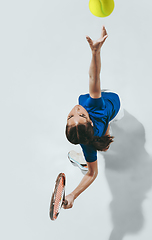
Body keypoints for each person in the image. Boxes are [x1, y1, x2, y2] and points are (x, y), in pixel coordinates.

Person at [63, 26, 123, 209]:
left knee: (103, 132)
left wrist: (74, 195)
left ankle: (86, 159)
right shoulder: (93, 104)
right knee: (106, 124)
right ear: (88, 121)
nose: (76, 109)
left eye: (70, 116)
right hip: (114, 104)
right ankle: (91, 152)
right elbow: (94, 77)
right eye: (80, 115)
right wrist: (95, 52)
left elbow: (91, 173)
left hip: (104, 121)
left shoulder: (86, 140)